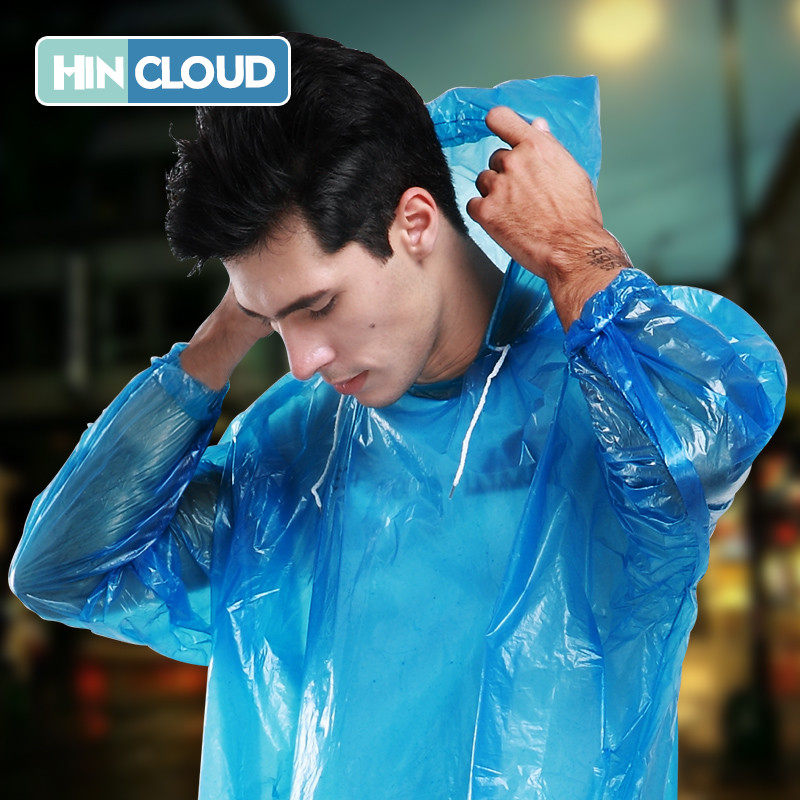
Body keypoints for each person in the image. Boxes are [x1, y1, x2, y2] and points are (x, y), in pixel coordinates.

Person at [8, 31, 786, 800]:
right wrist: (219, 340)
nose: (301, 359)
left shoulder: (599, 392)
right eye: (272, 320)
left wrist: (578, 254)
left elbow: (713, 438)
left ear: (416, 221)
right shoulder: (291, 450)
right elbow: (61, 573)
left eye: (318, 304)